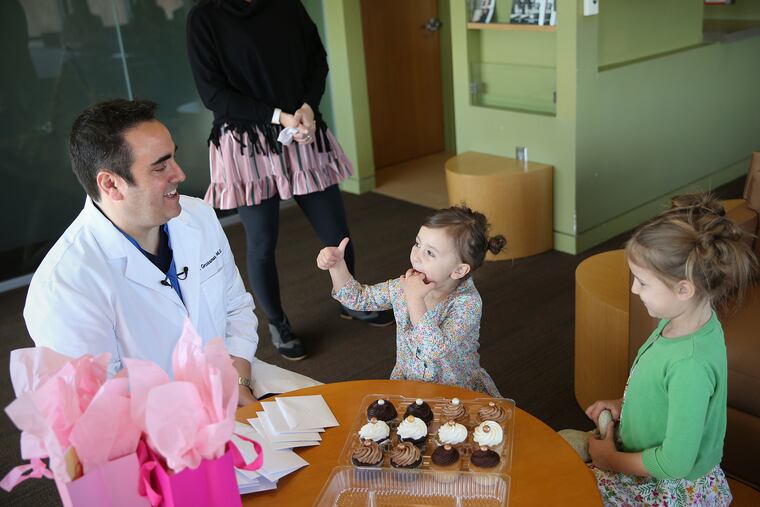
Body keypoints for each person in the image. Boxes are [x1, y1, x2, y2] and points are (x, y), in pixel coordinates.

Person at [23, 99, 319, 406]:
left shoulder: (199, 216)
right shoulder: (64, 285)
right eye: (160, 166)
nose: (179, 174)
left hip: (234, 377)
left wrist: (239, 380)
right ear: (111, 184)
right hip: (154, 432)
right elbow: (99, 409)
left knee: (352, 423)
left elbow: (235, 307)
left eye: (173, 158)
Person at [186, 0, 392, 361]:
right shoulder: (205, 17)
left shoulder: (287, 5)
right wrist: (279, 116)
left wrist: (308, 108)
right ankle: (277, 322)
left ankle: (351, 299)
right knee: (262, 241)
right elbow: (213, 94)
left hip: (303, 132)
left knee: (336, 232)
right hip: (246, 142)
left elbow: (317, 60)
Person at [585, 193, 757, 506]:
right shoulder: (687, 321)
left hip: (666, 490)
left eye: (642, 282)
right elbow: (664, 394)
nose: (634, 289)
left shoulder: (690, 364)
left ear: (684, 289)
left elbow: (674, 463)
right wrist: (625, 403)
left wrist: (610, 460)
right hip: (646, 466)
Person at [316, 206, 506, 396]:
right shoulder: (404, 286)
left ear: (458, 271)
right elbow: (359, 298)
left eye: (430, 253)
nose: (416, 255)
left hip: (454, 392)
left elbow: (434, 349)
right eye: (417, 244)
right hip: (408, 385)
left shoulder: (467, 303)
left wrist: (414, 298)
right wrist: (337, 266)